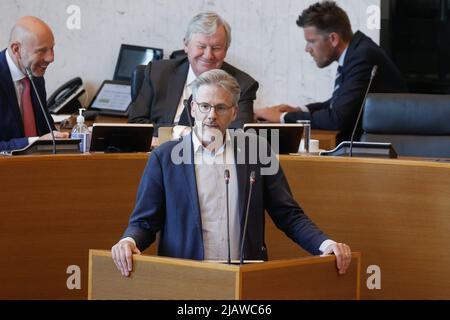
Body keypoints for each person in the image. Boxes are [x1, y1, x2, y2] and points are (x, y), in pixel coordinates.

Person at [112, 69, 351, 277]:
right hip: (186, 277)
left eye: (220, 107)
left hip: (243, 278)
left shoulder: (256, 152)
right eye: (204, 106)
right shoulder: (164, 158)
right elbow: (145, 221)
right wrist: (128, 241)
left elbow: (288, 214)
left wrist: (324, 244)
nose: (211, 115)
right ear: (193, 108)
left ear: (234, 113)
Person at [254, 1, 407, 141]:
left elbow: (337, 118)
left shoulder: (362, 57)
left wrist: (283, 117)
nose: (307, 49)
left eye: (311, 41)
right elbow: (339, 103)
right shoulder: (356, 51)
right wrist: (299, 109)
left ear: (333, 39)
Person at [128, 12, 259, 146]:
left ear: (226, 50)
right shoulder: (158, 73)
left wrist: (181, 134)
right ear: (186, 45)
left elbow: (239, 136)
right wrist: (180, 133)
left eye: (216, 48)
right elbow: (136, 124)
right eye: (201, 46)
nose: (208, 55)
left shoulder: (243, 84)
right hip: (158, 154)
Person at [0, 16, 69, 152]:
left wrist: (72, 138)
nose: (51, 58)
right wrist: (34, 142)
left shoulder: (35, 74)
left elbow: (47, 131)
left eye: (51, 48)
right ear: (16, 49)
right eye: (42, 50)